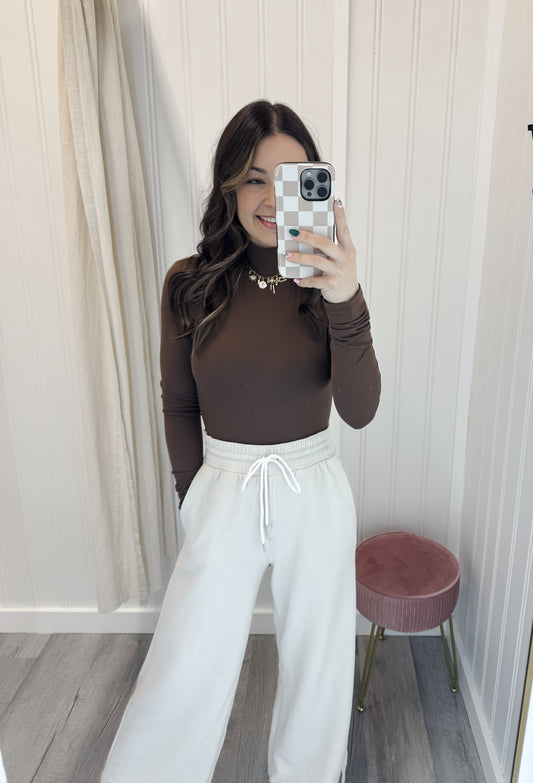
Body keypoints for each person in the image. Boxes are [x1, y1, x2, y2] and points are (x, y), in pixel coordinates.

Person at [101, 100, 381, 783]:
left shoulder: (325, 282)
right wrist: (191, 498)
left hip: (313, 485)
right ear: (228, 182)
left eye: (289, 179)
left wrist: (346, 296)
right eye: (255, 178)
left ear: (313, 186)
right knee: (185, 662)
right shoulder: (188, 283)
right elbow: (178, 404)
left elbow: (360, 410)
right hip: (223, 486)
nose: (270, 199)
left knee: (318, 667)